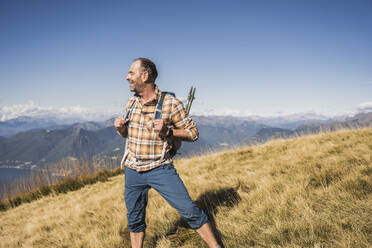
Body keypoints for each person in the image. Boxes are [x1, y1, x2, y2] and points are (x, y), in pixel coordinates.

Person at [114, 58, 221, 248]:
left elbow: (193, 133)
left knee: (189, 210)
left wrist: (168, 132)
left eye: (131, 73)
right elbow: (128, 136)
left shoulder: (171, 103)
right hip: (132, 169)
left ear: (145, 76)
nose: (126, 77)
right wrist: (121, 128)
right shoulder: (131, 103)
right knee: (134, 216)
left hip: (159, 168)